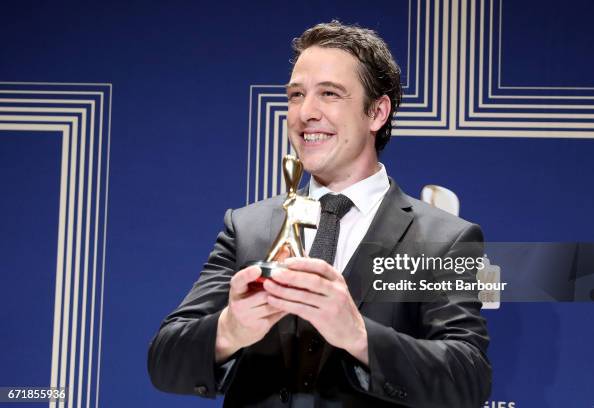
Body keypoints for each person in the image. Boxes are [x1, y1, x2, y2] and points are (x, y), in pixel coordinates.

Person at [148, 21, 491, 407]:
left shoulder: (442, 239)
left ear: (377, 112)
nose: (305, 112)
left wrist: (358, 335)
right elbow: (165, 360)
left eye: (329, 94)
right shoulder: (247, 228)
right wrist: (230, 329)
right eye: (296, 95)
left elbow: (467, 377)